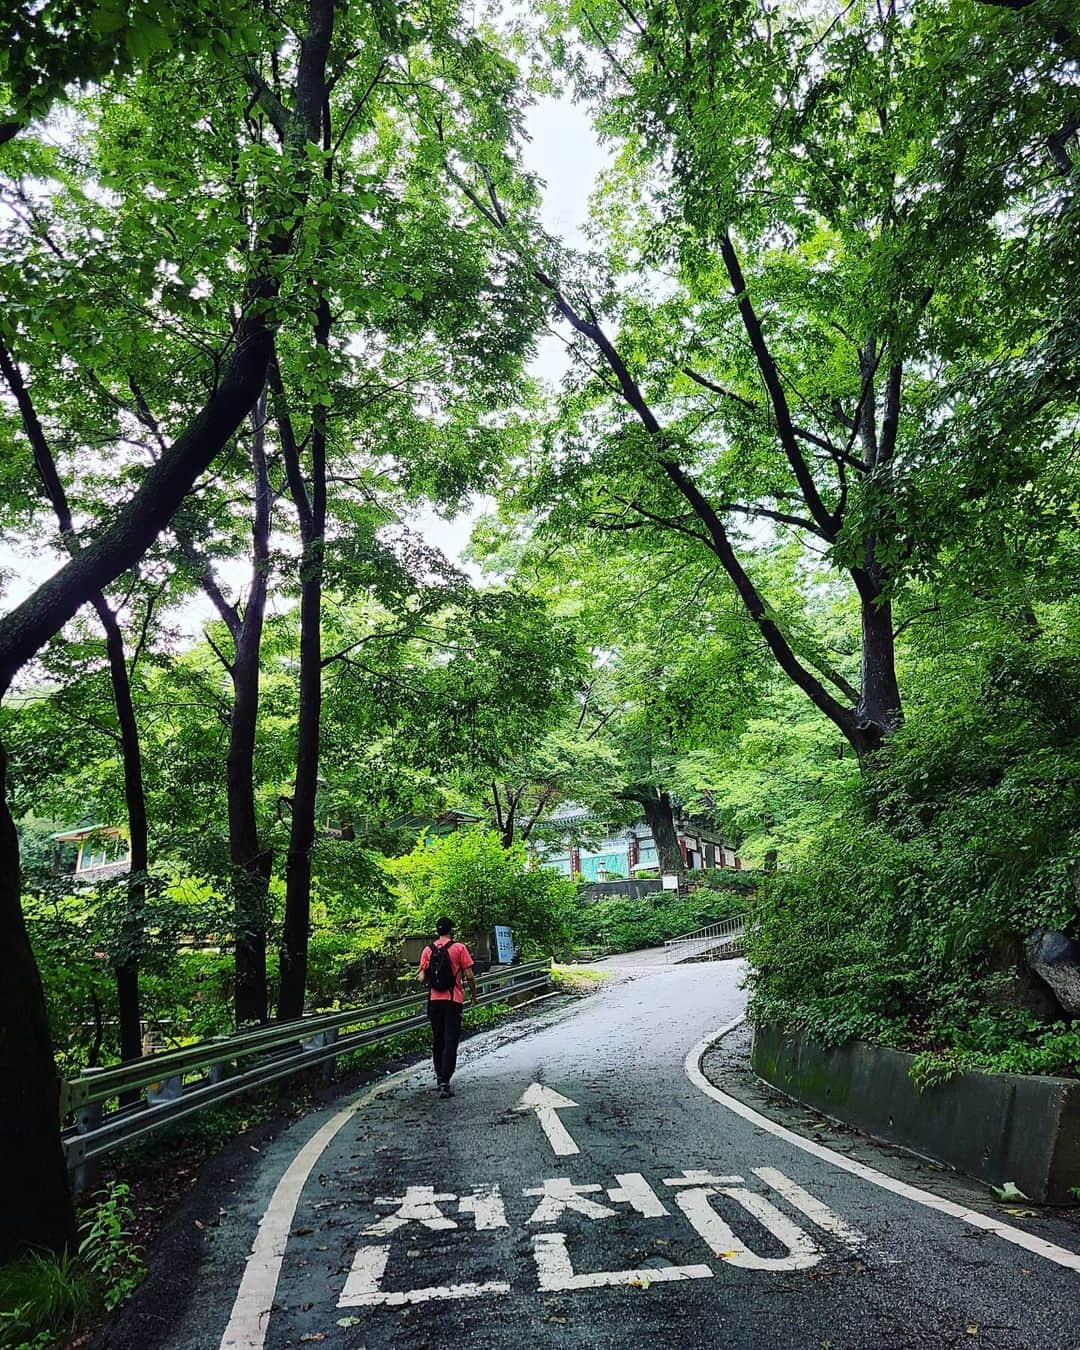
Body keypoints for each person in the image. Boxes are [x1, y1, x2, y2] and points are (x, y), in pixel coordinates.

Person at [418, 916, 477, 1098]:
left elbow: (421, 979)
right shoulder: (459, 948)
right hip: (453, 1000)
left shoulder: (428, 950)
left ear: (437, 931)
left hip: (434, 1001)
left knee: (438, 1039)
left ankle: (439, 1077)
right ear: (452, 930)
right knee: (450, 1040)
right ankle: (445, 1081)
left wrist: (426, 970)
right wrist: (474, 996)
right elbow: (469, 976)